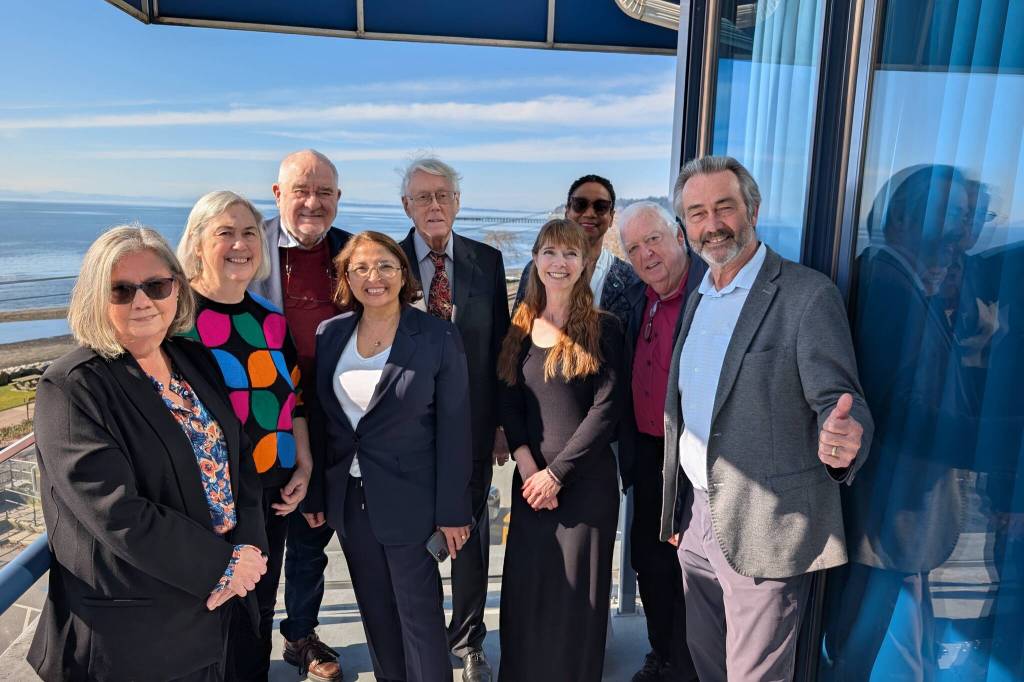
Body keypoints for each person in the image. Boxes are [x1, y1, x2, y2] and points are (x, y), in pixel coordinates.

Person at [660, 155, 873, 681]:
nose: (711, 225)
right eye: (697, 213)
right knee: (707, 660)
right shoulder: (700, 294)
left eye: (724, 207)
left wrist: (846, 439)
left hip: (764, 524)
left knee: (753, 675)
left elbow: (842, 399)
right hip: (697, 519)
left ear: (752, 209)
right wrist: (678, 512)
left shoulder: (806, 295)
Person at [28, 226, 268, 681]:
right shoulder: (71, 386)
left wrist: (249, 549)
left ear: (177, 288)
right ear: (96, 298)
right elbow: (115, 511)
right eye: (121, 290)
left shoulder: (194, 359)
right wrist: (223, 566)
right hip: (136, 634)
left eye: (156, 286)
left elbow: (240, 463)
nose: (142, 301)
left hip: (218, 610)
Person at [310, 230, 473, 682]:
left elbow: (456, 429)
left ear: (404, 273)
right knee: (377, 615)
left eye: (384, 265)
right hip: (350, 501)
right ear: (346, 276)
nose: (373, 276)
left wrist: (453, 512)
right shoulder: (331, 334)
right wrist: (317, 498)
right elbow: (326, 424)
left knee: (421, 622)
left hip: (414, 502)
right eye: (359, 267)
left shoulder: (438, 336)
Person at [176, 190, 314, 681]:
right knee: (209, 616)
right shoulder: (175, 318)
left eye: (250, 232)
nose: (240, 244)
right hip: (204, 500)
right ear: (196, 243)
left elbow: (293, 397)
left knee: (256, 609)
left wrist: (303, 464)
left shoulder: (268, 318)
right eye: (225, 232)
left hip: (271, 490)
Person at [396, 156, 511, 682]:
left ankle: (468, 641)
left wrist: (503, 423)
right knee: (412, 535)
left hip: (473, 427)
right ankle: (417, 637)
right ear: (407, 206)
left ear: (458, 202)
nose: (435, 205)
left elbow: (502, 352)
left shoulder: (487, 262)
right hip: (406, 432)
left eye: (443, 195)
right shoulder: (386, 262)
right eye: (424, 197)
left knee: (470, 537)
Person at [498, 219, 623, 681]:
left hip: (585, 488)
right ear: (535, 260)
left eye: (570, 254)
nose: (560, 262)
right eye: (550, 252)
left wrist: (557, 475)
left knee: (577, 602)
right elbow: (508, 403)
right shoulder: (519, 328)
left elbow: (606, 412)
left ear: (585, 263)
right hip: (531, 487)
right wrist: (531, 470)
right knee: (528, 595)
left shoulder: (605, 329)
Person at [249, 149, 352, 682]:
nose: (313, 203)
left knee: (313, 536)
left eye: (325, 192)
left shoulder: (351, 252)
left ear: (339, 198)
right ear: (277, 194)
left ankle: (301, 636)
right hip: (260, 420)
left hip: (329, 421)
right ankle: (245, 643)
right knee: (255, 540)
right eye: (301, 191)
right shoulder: (249, 246)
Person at [617, 201, 703, 682]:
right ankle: (662, 654)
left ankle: (687, 665)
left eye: (653, 240)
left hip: (691, 457)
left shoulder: (706, 294)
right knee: (648, 561)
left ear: (678, 234)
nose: (646, 254)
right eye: (633, 247)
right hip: (648, 454)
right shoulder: (636, 295)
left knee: (687, 568)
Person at [516, 174, 640, 324]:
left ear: (611, 217)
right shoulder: (535, 270)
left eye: (601, 207)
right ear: (567, 211)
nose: (589, 213)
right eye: (580, 204)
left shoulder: (629, 280)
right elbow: (518, 328)